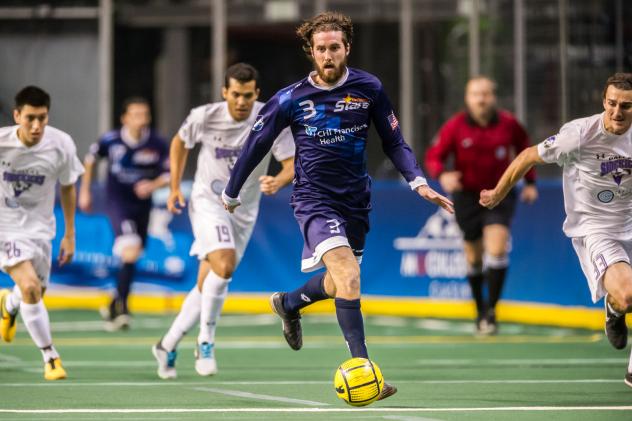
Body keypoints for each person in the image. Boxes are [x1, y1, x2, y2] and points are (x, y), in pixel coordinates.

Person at [222, 12, 453, 400]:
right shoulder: (291, 98)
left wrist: (417, 180)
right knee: (348, 276)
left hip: (355, 200)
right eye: (320, 49)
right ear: (310, 53)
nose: (327, 55)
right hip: (313, 199)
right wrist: (232, 190)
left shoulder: (369, 88)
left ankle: (289, 303)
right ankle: (365, 372)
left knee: (336, 283)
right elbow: (255, 145)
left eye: (334, 48)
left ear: (346, 48)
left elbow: (394, 141)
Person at [479, 72, 632, 387]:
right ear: (604, 101)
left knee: (628, 296)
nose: (618, 112)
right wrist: (497, 193)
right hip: (597, 229)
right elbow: (527, 157)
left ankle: (621, 337)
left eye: (627, 107)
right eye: (612, 104)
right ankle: (616, 311)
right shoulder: (578, 135)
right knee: (628, 294)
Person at [151, 63, 295, 379]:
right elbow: (179, 143)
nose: (241, 101)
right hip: (208, 202)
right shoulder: (205, 115)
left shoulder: (271, 118)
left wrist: (280, 180)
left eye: (247, 95)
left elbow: (290, 163)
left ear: (256, 94)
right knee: (225, 266)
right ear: (224, 93)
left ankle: (167, 343)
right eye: (235, 95)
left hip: (245, 211)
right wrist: (175, 186)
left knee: (210, 281)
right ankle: (206, 341)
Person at [425, 76, 538, 334]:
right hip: (466, 198)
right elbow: (434, 156)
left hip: (500, 193)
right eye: (476, 94)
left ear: (493, 97)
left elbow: (526, 152)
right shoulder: (455, 127)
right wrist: (442, 174)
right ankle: (479, 310)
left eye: (485, 93)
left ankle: (492, 311)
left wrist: (530, 183)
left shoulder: (509, 124)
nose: (481, 99)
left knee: (497, 249)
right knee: (474, 258)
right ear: (467, 98)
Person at [0, 86, 84, 380]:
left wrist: (69, 233)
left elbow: (68, 186)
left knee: (34, 292)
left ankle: (8, 303)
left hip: (40, 228)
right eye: (30, 118)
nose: (36, 126)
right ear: (17, 116)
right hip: (5, 227)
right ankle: (51, 357)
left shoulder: (61, 144)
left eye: (42, 118)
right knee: (32, 288)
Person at [79, 97, 169, 331]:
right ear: (124, 118)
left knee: (136, 253)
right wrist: (85, 192)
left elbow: (169, 173)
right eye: (135, 115)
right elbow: (90, 160)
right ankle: (123, 307)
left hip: (143, 206)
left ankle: (113, 302)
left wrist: (153, 185)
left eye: (145, 115)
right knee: (130, 250)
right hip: (118, 203)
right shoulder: (111, 140)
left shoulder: (157, 143)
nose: (141, 120)